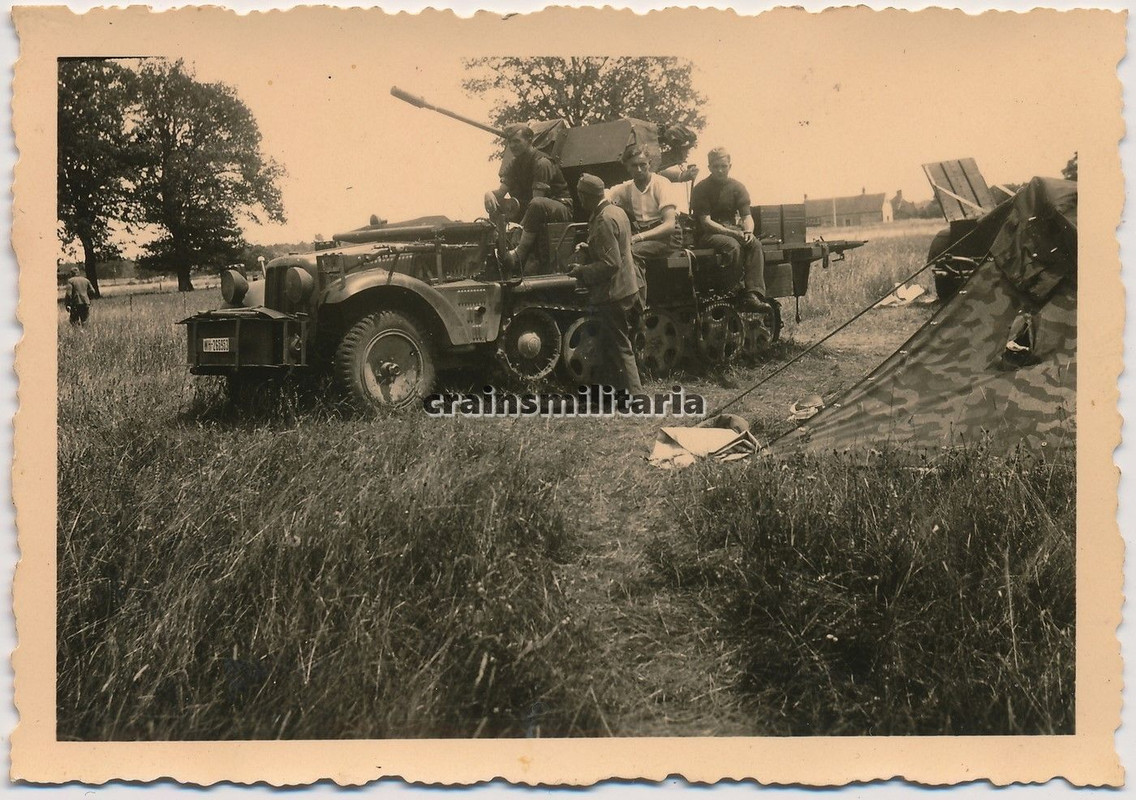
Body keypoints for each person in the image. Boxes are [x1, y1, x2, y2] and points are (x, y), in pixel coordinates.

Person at [567, 173, 643, 394]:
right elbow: (616, 247)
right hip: (627, 286)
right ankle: (618, 393)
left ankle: (637, 397)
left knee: (620, 347)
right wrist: (590, 248)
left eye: (581, 196)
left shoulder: (603, 219)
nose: (579, 201)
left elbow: (610, 263)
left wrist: (581, 271)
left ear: (586, 196)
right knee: (613, 344)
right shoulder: (616, 211)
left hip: (614, 292)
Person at [690, 147, 772, 313]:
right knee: (732, 245)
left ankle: (753, 293)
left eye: (723, 166)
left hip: (731, 228)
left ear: (730, 166)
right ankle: (734, 291)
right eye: (715, 166)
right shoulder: (701, 188)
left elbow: (746, 216)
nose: (720, 170)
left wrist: (748, 232)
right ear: (709, 167)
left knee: (754, 244)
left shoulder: (737, 187)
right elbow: (705, 221)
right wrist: (732, 233)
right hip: (708, 233)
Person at [483, 123, 573, 272]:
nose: (512, 145)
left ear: (530, 141)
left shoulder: (542, 163)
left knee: (537, 203)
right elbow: (500, 193)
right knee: (495, 202)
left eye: (517, 141)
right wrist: (489, 194)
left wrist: (520, 228)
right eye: (510, 142)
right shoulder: (514, 164)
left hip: (560, 208)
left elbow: (537, 200)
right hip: (534, 208)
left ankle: (519, 253)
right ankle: (497, 251)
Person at [609, 144, 684, 306]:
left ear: (649, 163)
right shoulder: (626, 188)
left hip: (668, 237)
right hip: (644, 237)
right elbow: (603, 197)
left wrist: (638, 237)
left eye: (643, 164)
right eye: (634, 166)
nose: (639, 169)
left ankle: (636, 304)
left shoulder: (661, 184)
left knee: (631, 252)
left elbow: (669, 225)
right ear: (627, 167)